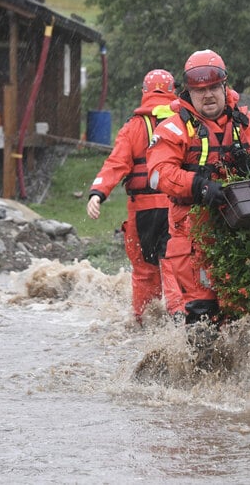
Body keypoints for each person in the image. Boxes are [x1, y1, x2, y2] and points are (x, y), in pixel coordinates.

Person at [147, 49, 250, 326]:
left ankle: (232, 369)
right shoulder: (173, 130)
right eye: (200, 89)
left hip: (241, 233)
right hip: (193, 237)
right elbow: (159, 174)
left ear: (225, 86)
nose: (208, 95)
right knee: (203, 316)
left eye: (214, 87)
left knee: (240, 318)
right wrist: (200, 186)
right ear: (188, 92)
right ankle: (198, 366)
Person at [86, 69, 183, 321]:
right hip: (176, 208)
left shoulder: (131, 128)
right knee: (174, 265)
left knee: (143, 273)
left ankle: (143, 325)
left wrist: (97, 193)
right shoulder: (183, 123)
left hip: (141, 214)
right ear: (173, 92)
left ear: (144, 93)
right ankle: (181, 321)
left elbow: (115, 164)